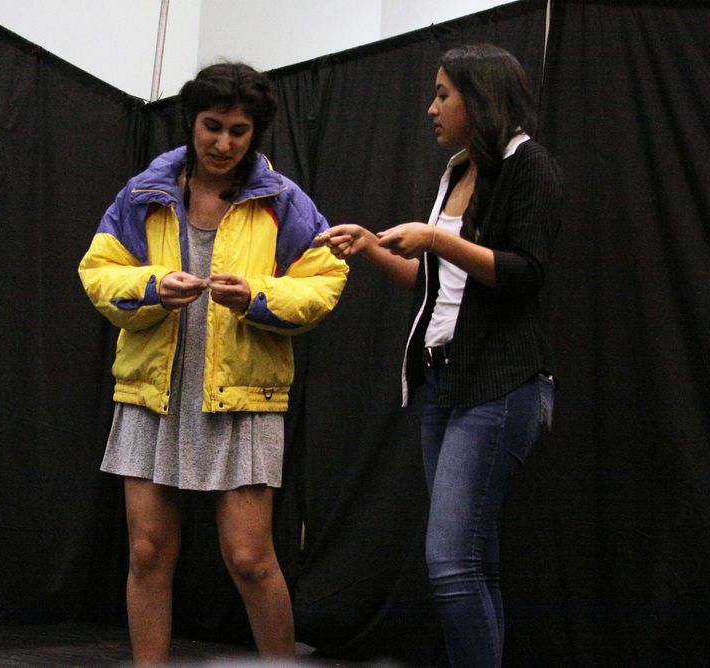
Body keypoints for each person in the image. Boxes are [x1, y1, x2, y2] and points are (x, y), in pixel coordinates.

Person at [79, 62, 348, 662]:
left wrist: (257, 296)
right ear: (190, 121)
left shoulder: (281, 200)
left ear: (255, 134)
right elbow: (98, 272)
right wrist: (152, 286)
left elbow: (324, 279)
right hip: (154, 391)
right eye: (212, 126)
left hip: (241, 394)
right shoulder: (144, 193)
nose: (223, 143)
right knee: (147, 552)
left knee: (251, 559)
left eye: (238, 131)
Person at [316, 44, 562, 667]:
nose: (431, 107)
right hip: (446, 384)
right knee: (475, 564)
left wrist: (433, 239)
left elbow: (524, 272)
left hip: (502, 384)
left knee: (451, 563)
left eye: (443, 94)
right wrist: (372, 246)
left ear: (479, 99)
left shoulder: (529, 165)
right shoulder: (456, 172)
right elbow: (430, 283)